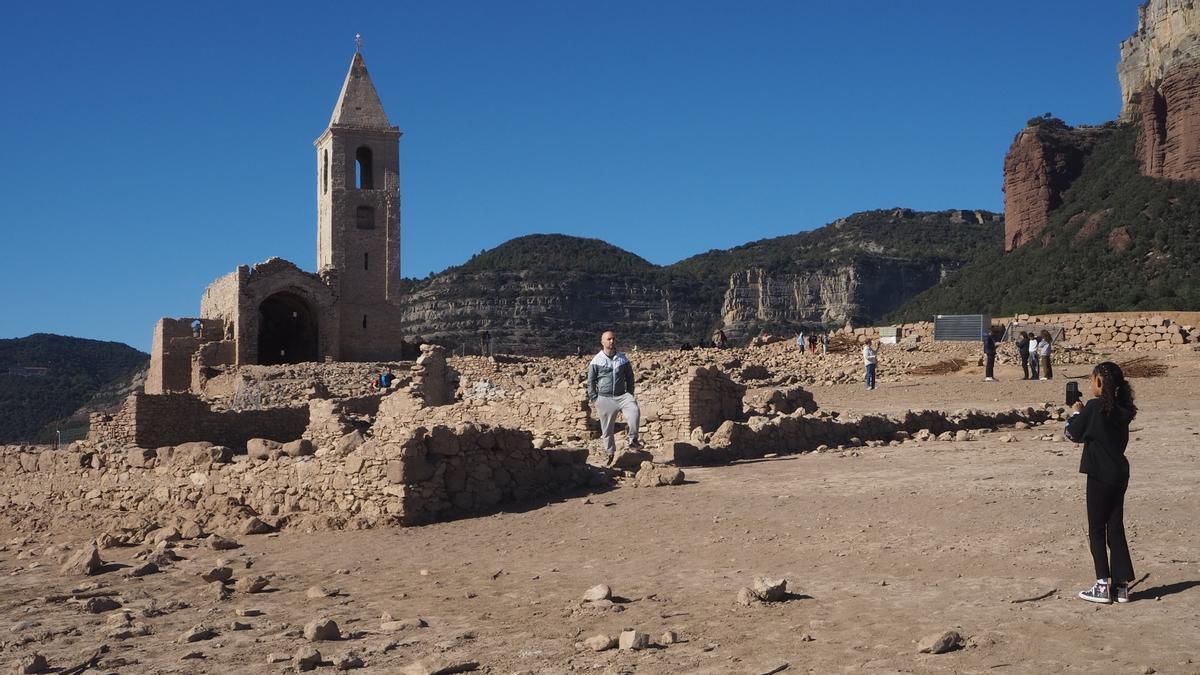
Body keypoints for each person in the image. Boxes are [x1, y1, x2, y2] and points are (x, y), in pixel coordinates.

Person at [1065, 362, 1137, 604]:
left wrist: (1076, 412)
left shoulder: (1095, 407)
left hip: (1099, 474)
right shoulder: (1124, 409)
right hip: (1119, 473)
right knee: (1115, 527)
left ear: (1099, 382)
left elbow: (1072, 433)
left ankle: (1102, 584)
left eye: (1091, 379)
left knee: (1096, 529)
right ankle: (1121, 586)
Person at [586, 330, 642, 465]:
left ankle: (633, 440)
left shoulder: (622, 358)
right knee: (607, 430)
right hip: (604, 398)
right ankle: (610, 453)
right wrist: (594, 398)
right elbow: (591, 381)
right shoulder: (596, 360)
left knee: (634, 411)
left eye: (613, 339)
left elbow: (630, 377)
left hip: (622, 395)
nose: (612, 341)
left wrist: (630, 393)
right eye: (609, 339)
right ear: (602, 342)